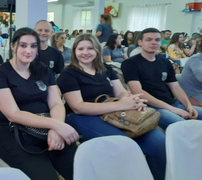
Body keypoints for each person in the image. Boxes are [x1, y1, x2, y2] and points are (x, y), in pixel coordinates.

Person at [57, 33, 166, 180]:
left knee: (158, 142)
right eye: (80, 49)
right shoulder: (69, 74)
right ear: (74, 51)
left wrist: (132, 100)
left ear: (97, 50)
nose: (85, 52)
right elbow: (78, 106)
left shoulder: (105, 68)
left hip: (113, 112)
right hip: (81, 116)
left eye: (90, 48)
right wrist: (120, 105)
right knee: (124, 145)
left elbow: (120, 91)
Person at [0, 27, 79, 180]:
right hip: (12, 133)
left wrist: (55, 128)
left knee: (80, 172)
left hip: (46, 128)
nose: (28, 50)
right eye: (23, 45)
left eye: (33, 46)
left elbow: (56, 103)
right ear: (13, 46)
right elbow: (13, 115)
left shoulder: (42, 70)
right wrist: (56, 125)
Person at [121, 28, 202, 130]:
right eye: (149, 39)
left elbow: (176, 87)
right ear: (140, 42)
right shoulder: (130, 63)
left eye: (157, 40)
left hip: (172, 102)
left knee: (193, 119)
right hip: (151, 106)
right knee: (187, 128)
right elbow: (138, 91)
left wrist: (189, 106)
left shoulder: (165, 62)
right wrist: (171, 109)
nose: (154, 42)